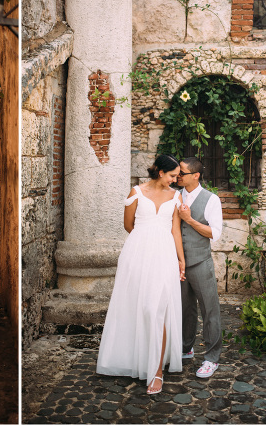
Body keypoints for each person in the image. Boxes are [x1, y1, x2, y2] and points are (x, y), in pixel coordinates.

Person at [96, 154, 186, 395]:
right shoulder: (135, 192)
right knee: (135, 306)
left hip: (164, 256)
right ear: (160, 172)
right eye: (172, 175)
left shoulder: (176, 197)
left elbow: (175, 231)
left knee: (156, 309)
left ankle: (157, 371)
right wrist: (145, 240)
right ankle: (131, 358)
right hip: (137, 255)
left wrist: (181, 260)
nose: (175, 180)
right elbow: (128, 225)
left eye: (177, 176)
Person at [176, 157, 224, 379]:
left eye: (182, 173)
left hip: (200, 262)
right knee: (185, 309)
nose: (178, 176)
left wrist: (190, 220)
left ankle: (212, 358)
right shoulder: (175, 196)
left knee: (209, 310)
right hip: (178, 263)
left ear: (195, 176)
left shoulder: (211, 199)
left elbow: (214, 233)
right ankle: (186, 348)